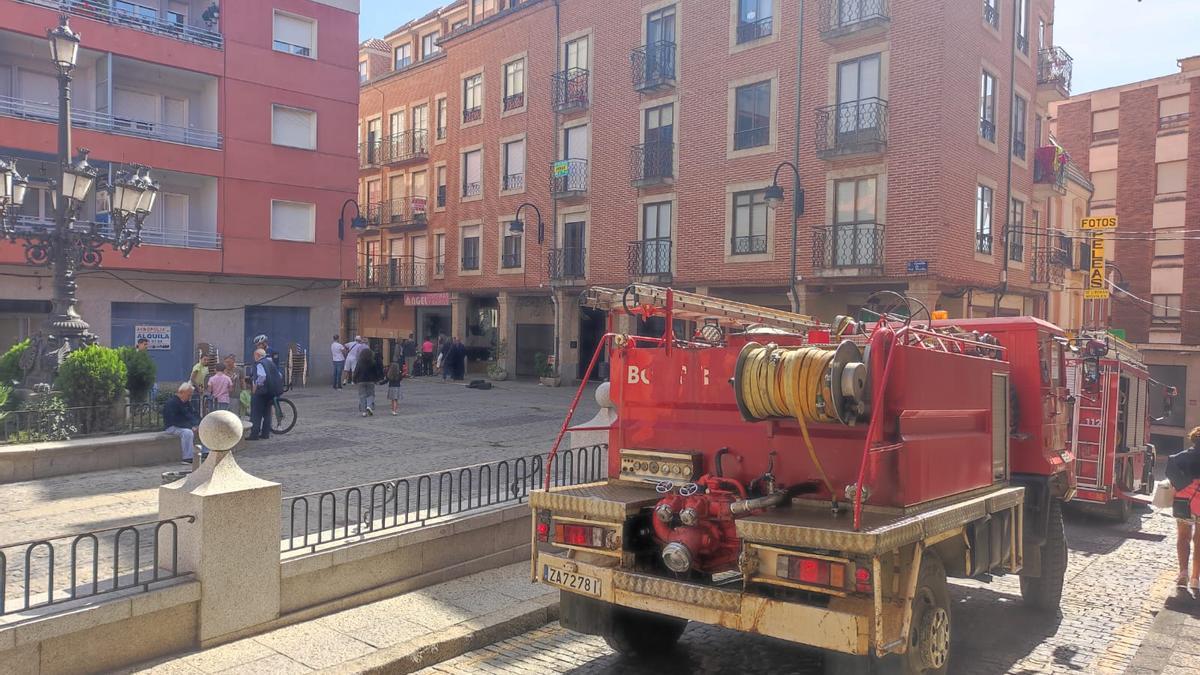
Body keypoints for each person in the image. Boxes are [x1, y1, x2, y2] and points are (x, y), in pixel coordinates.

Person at [1167, 427, 1200, 590]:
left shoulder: (1179, 458)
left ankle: (1183, 573)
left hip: (1184, 503)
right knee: (1199, 540)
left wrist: (1184, 485)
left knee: (1183, 537)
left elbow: (1170, 474)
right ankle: (1195, 578)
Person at [163, 382, 205, 465]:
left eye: (191, 395)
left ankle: (206, 452)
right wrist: (190, 426)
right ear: (181, 392)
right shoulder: (171, 403)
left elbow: (194, 414)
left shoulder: (186, 402)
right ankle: (187, 457)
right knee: (187, 433)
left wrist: (198, 424)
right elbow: (174, 420)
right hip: (172, 426)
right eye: (189, 395)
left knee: (203, 428)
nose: (190, 397)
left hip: (184, 425)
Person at [248, 348, 279, 440]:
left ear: (257, 355)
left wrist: (256, 385)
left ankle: (254, 434)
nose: (254, 357)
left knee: (256, 414)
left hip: (260, 392)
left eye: (254, 355)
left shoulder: (260, 363)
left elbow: (262, 376)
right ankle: (265, 434)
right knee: (267, 413)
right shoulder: (270, 362)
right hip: (270, 392)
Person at [353, 347, 381, 417]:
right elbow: (375, 372)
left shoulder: (359, 362)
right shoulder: (373, 362)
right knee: (371, 394)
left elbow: (356, 371)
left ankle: (364, 412)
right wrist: (377, 380)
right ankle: (369, 406)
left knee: (362, 396)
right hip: (370, 381)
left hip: (361, 380)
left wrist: (354, 379)